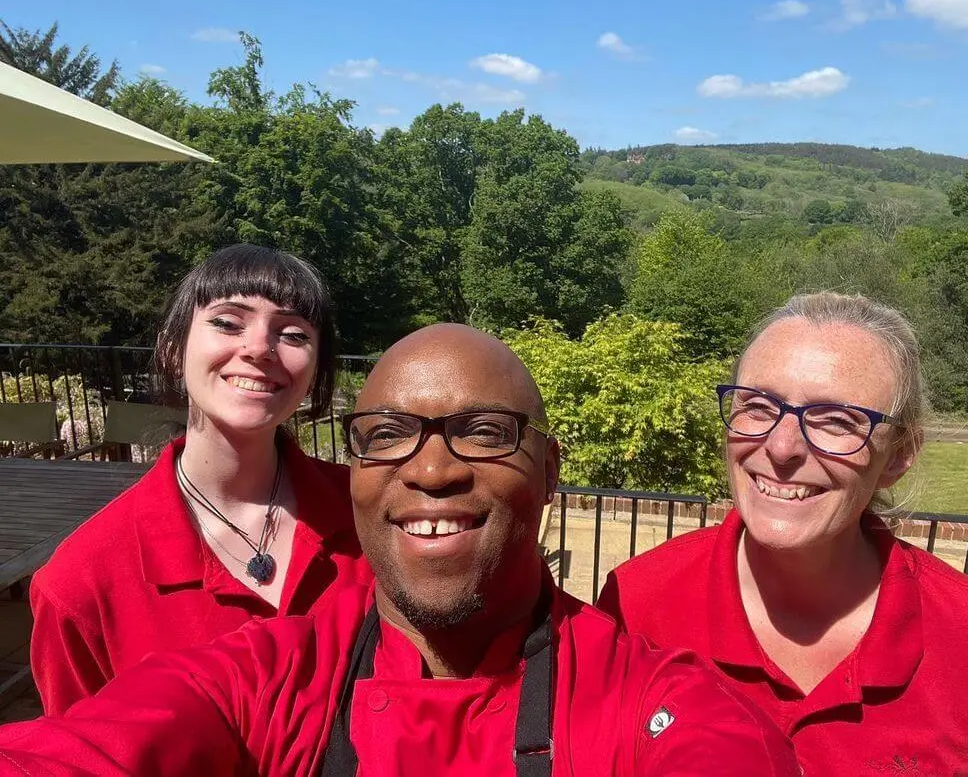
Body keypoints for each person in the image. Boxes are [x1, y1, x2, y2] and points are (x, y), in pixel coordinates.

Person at [0, 324, 800, 777]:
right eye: (386, 437)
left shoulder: (647, 703)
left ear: (550, 472)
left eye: (485, 432)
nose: (430, 468)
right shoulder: (266, 680)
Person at [597, 292, 968, 776]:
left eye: (836, 420)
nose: (782, 447)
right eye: (759, 407)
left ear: (899, 455)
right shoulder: (636, 604)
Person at [30, 244, 369, 715]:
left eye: (292, 334)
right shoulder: (81, 584)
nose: (258, 349)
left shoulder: (373, 515)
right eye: (228, 322)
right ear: (173, 349)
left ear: (315, 371)